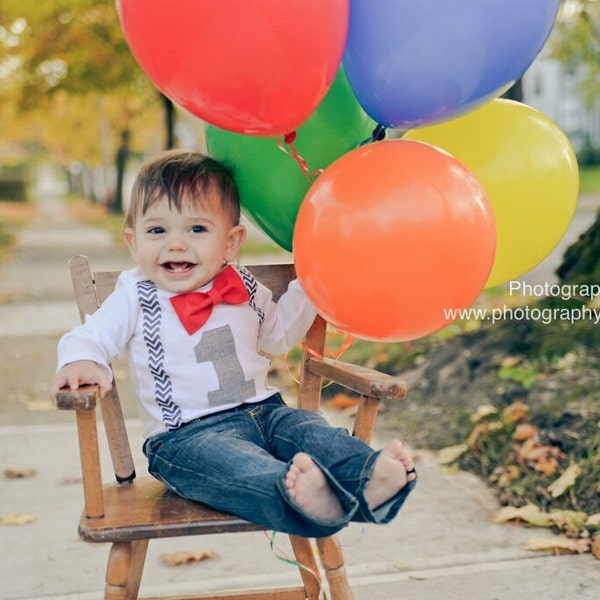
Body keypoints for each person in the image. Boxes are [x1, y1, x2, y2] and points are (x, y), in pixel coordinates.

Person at [50, 150, 416, 538]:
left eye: (196, 230)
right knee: (237, 466)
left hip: (266, 413)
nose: (176, 244)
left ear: (230, 243)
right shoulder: (134, 293)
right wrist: (82, 360)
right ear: (132, 241)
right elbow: (92, 335)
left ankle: (369, 480)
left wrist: (310, 284)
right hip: (187, 437)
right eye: (157, 231)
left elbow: (278, 336)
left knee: (313, 431)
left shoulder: (241, 285)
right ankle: (301, 499)